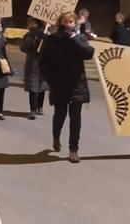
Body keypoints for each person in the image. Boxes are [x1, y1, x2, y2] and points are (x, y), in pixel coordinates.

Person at [41, 11, 94, 163]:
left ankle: (73, 149)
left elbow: (89, 53)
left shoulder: (80, 38)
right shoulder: (52, 40)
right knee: (60, 115)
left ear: (75, 23)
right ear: (60, 23)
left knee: (75, 118)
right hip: (59, 84)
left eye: (71, 22)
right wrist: (51, 81)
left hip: (77, 84)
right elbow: (44, 62)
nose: (68, 25)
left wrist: (74, 39)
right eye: (65, 22)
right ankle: (56, 136)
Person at [20, 17, 50, 120]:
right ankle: (33, 109)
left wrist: (44, 38)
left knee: (41, 85)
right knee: (33, 86)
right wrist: (32, 38)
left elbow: (52, 48)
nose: (28, 25)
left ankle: (39, 107)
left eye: (30, 23)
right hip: (32, 63)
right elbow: (23, 48)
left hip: (43, 63)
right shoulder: (29, 35)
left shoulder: (46, 35)